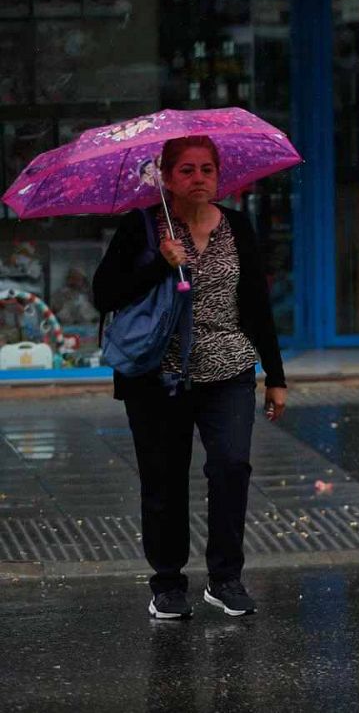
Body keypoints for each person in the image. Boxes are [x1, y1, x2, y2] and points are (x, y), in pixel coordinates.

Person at [91, 135, 288, 620]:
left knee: (231, 466)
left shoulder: (238, 227)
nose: (198, 178)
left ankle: (225, 579)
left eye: (207, 170)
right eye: (186, 170)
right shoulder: (141, 228)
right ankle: (167, 583)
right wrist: (161, 262)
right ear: (166, 177)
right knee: (164, 479)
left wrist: (275, 375)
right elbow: (104, 294)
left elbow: (257, 308)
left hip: (229, 370)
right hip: (159, 378)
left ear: (219, 176)